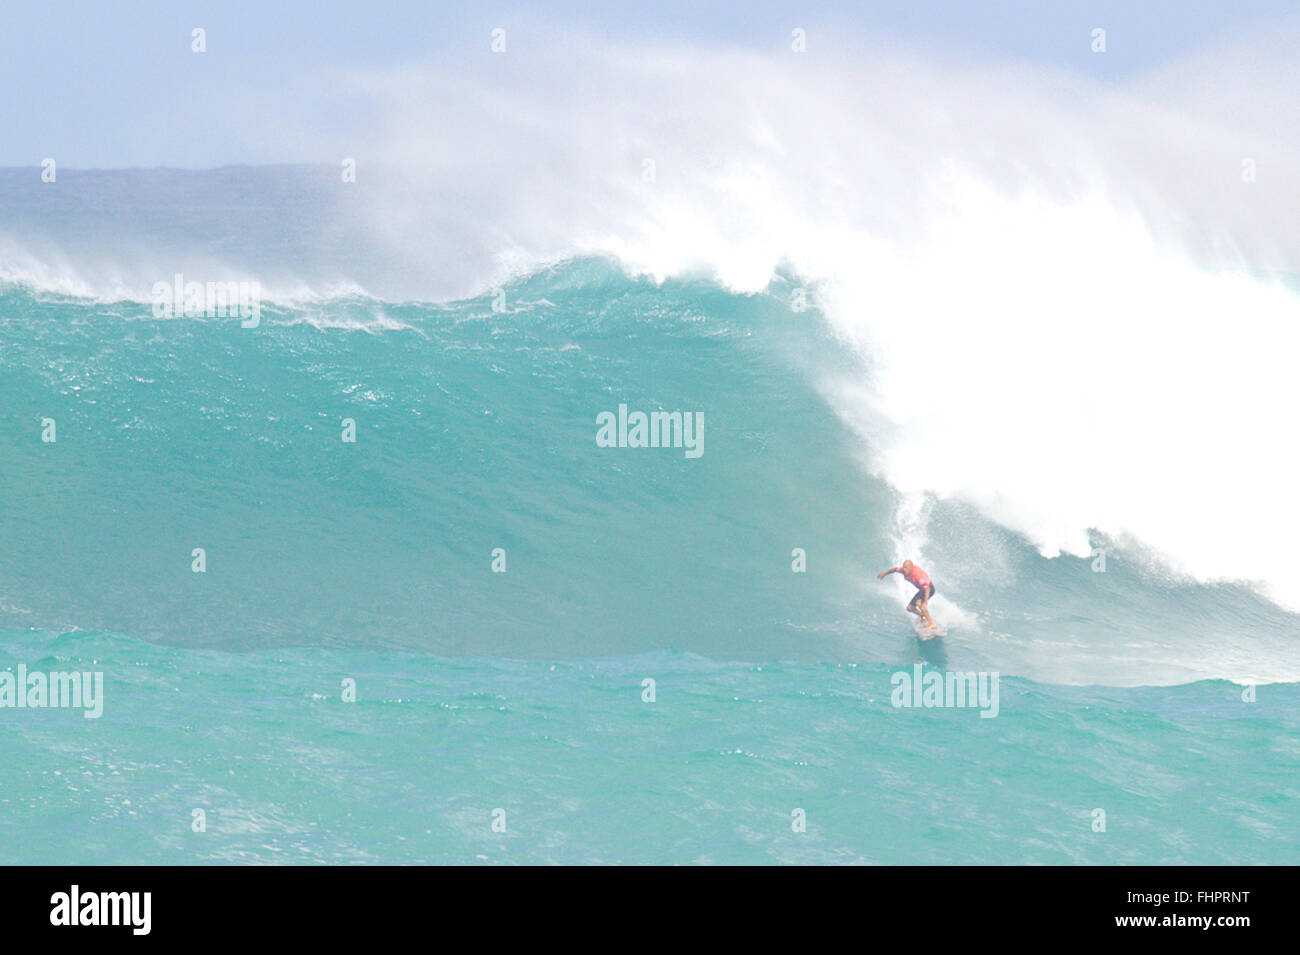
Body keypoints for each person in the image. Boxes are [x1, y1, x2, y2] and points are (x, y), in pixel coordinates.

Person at [877, 560, 936, 628]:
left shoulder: (917, 575)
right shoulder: (903, 570)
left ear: (911, 568)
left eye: (906, 568)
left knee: (922, 606)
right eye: (904, 567)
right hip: (922, 590)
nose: (904, 570)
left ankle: (932, 623)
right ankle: (923, 617)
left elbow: (927, 588)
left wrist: (925, 602)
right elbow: (894, 569)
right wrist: (884, 573)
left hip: (929, 589)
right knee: (910, 608)